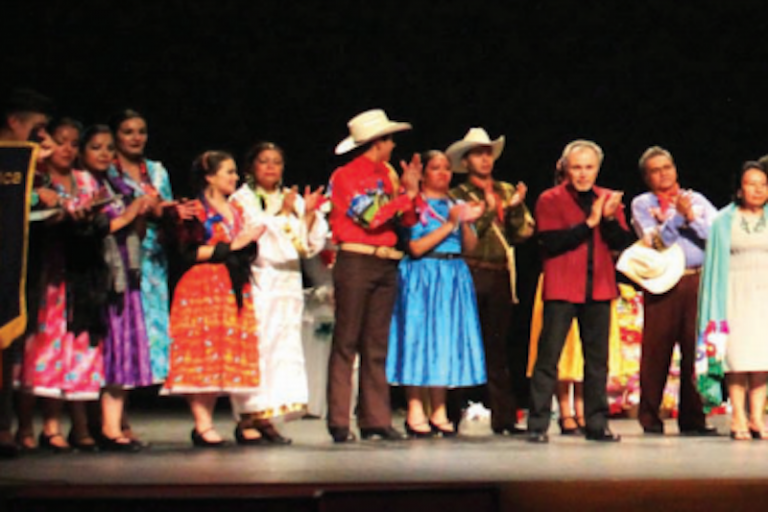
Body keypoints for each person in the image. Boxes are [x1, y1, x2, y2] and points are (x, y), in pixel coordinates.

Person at [326, 109, 422, 443]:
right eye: (389, 139)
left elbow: (407, 221)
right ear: (376, 142)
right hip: (356, 260)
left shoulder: (390, 174)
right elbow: (370, 216)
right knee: (347, 342)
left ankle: (375, 419)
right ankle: (339, 420)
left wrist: (410, 194)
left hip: (386, 263)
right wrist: (405, 198)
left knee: (377, 344)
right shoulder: (346, 175)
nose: (393, 145)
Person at [528, 139, 632, 443]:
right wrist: (589, 223)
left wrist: (609, 218)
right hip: (563, 287)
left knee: (597, 361)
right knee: (549, 358)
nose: (583, 174)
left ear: (597, 169)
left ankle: (597, 424)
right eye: (577, 167)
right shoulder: (550, 199)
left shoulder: (607, 198)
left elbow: (621, 243)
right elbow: (551, 242)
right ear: (566, 168)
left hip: (598, 288)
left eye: (588, 167)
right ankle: (537, 425)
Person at [16, 118, 108, 453]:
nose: (67, 149)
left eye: (73, 142)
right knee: (38, 352)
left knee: (67, 354)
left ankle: (53, 427)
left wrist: (88, 217)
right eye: (60, 141)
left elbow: (103, 221)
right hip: (45, 276)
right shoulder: (36, 179)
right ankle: (25, 426)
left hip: (77, 277)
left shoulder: (84, 179)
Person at [229, 142, 328, 444]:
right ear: (251, 167)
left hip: (288, 284)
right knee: (259, 348)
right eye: (264, 161)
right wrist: (286, 215)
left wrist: (308, 214)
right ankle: (247, 417)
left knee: (283, 352)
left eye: (277, 162)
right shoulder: (242, 200)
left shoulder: (291, 199)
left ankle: (269, 417)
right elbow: (259, 234)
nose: (271, 167)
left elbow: (308, 244)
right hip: (260, 280)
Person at [163, 151, 264, 447]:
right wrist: (234, 245)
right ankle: (202, 423)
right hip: (202, 285)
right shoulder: (196, 209)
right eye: (229, 172)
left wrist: (247, 245)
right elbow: (187, 253)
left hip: (232, 286)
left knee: (225, 354)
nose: (235, 178)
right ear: (210, 176)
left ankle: (226, 422)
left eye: (235, 173)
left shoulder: (237, 210)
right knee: (202, 354)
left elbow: (243, 247)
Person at [387, 150, 487, 438]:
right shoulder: (416, 205)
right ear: (425, 173)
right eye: (435, 168)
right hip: (422, 274)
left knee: (443, 340)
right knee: (418, 339)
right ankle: (415, 408)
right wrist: (450, 224)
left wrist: (465, 222)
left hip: (452, 274)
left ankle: (439, 409)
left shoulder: (456, 204)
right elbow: (416, 247)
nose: (443, 173)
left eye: (446, 168)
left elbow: (470, 247)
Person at [447, 128, 534, 435]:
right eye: (477, 154)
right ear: (466, 160)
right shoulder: (456, 195)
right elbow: (458, 236)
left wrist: (513, 209)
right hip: (469, 272)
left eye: (487, 153)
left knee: (497, 348)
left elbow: (523, 233)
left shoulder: (507, 190)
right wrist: (485, 213)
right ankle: (450, 415)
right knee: (460, 344)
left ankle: (505, 419)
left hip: (499, 273)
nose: (484, 159)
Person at [630, 146, 718, 436]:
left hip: (696, 281)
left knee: (695, 351)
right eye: (655, 170)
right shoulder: (642, 204)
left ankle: (693, 419)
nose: (663, 174)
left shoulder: (697, 199)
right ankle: (651, 417)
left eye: (666, 167)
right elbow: (655, 241)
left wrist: (690, 216)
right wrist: (677, 220)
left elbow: (716, 234)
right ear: (647, 177)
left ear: (675, 169)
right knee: (656, 351)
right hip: (663, 283)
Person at [80, 124, 156, 451]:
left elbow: (134, 231)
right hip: (97, 275)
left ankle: (115, 423)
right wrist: (130, 213)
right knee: (107, 351)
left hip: (126, 271)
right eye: (96, 147)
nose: (105, 154)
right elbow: (94, 228)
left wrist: (143, 211)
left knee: (123, 349)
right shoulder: (83, 184)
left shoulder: (118, 183)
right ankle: (103, 427)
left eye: (109, 148)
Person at [0, 88, 54, 458]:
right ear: (13, 122)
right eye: (36, 128)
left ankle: (4, 427)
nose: (41, 138)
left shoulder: (26, 165)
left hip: (15, 266)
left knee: (9, 351)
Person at [697, 162, 768, 441]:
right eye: (751, 183)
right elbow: (714, 264)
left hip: (764, 293)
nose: (758, 189)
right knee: (736, 356)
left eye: (763, 184)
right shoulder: (723, 221)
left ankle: (757, 416)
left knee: (762, 357)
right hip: (733, 292)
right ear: (739, 189)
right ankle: (737, 414)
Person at [109, 109, 174, 384]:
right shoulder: (109, 170)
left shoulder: (157, 171)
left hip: (153, 257)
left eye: (141, 131)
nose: (136, 138)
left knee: (152, 325)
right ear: (116, 136)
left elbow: (168, 210)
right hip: (120, 253)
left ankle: (140, 388)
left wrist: (164, 209)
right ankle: (115, 411)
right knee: (123, 324)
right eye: (128, 132)